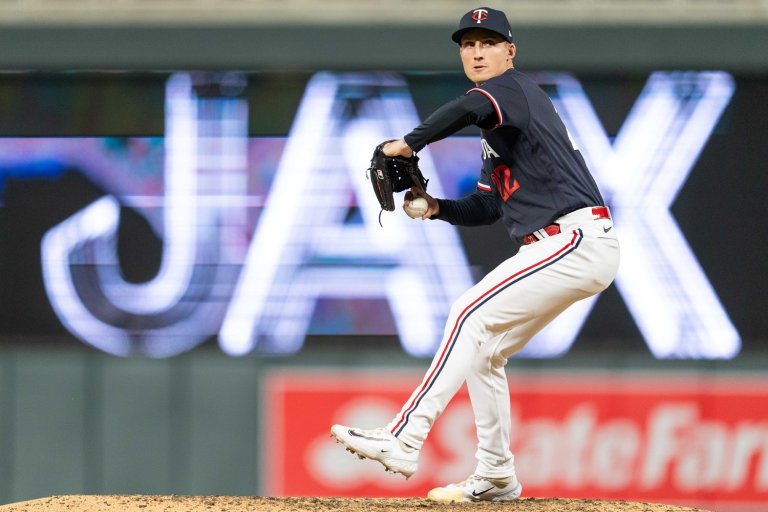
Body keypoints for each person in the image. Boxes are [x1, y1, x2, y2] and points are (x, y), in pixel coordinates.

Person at [331, 6, 620, 503]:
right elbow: (488, 206)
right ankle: (496, 474)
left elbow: (466, 107)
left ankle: (404, 437)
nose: (478, 51)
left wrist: (408, 143)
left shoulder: (514, 90)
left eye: (488, 42)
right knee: (485, 351)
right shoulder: (499, 128)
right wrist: (437, 207)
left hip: (574, 238)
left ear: (510, 51)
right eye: (468, 44)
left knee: (467, 312)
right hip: (564, 245)